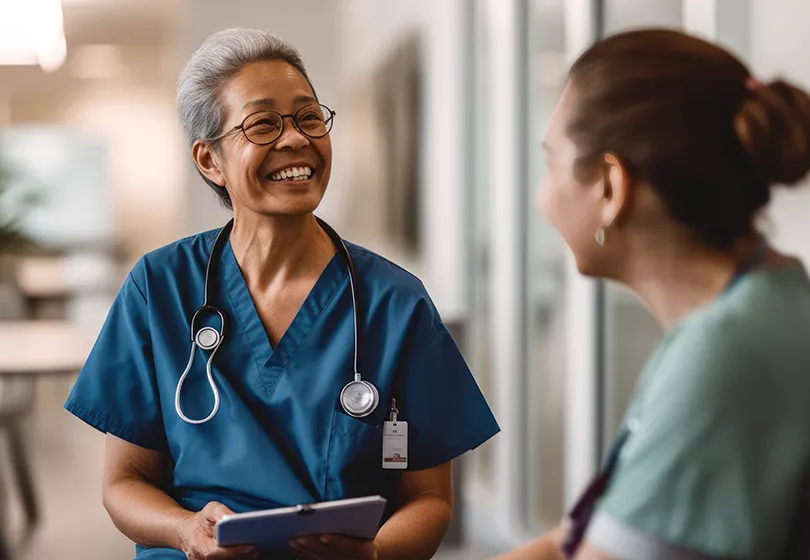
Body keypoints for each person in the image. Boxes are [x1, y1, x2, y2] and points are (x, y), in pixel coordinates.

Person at [64, 28, 499, 560]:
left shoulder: (394, 302)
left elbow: (429, 500)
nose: (296, 139)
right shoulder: (159, 286)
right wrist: (184, 531)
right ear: (209, 161)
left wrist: (375, 555)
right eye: (263, 123)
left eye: (309, 117)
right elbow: (123, 483)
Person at [497, 29, 810, 560]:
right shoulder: (773, 300)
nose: (542, 197)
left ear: (610, 188)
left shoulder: (724, 355)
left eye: (550, 163)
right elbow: (574, 541)